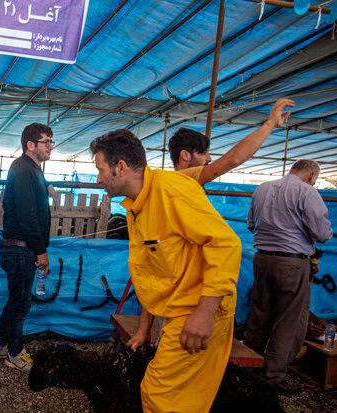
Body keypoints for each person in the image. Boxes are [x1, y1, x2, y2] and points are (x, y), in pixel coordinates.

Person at [90, 129, 241, 412]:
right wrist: (145, 328)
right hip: (177, 309)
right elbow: (153, 273)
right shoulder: (136, 206)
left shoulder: (173, 191)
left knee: (160, 394)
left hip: (198, 310)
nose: (98, 179)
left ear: (120, 167)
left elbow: (227, 245)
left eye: (100, 170)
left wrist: (205, 313)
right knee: (183, 397)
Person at [244, 159, 332, 395]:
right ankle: (272, 377)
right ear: (312, 175)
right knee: (289, 321)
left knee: (260, 315)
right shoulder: (307, 192)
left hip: (262, 259)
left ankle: (245, 368)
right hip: (292, 263)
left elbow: (251, 225)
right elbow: (322, 234)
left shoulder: (262, 188)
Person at [0, 123, 56, 372]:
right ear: (31, 145)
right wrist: (41, 251)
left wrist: (48, 185)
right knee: (21, 302)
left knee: (16, 299)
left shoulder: (30, 169)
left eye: (51, 141)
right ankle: (15, 353)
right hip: (20, 248)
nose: (50, 146)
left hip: (17, 247)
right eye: (46, 141)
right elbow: (28, 217)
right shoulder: (25, 171)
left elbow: (35, 184)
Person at [169, 98, 295, 185]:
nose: (209, 159)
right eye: (203, 153)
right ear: (185, 155)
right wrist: (270, 123)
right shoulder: (183, 178)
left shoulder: (177, 184)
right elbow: (232, 160)